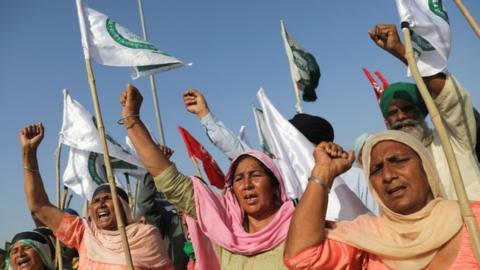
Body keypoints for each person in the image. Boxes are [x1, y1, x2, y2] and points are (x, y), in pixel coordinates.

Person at [120, 85, 295, 269]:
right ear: (232, 190)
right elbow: (168, 178)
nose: (247, 184)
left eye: (256, 175)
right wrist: (131, 120)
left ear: (276, 185)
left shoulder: (301, 227)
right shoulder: (225, 225)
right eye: (238, 179)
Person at [284, 130, 480, 269]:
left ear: (425, 167)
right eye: (376, 169)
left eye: (398, 161)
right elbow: (300, 257)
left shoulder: (472, 219)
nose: (388, 176)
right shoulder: (367, 241)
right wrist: (323, 173)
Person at [20, 123, 173, 270]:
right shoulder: (84, 234)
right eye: (96, 201)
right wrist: (29, 155)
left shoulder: (146, 236)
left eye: (107, 198)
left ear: (124, 206)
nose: (101, 204)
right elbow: (39, 206)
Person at [369, 23, 480, 200]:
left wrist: (400, 50)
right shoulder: (389, 170)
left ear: (422, 111)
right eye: (393, 113)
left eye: (407, 109)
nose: (401, 117)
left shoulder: (452, 139)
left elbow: (451, 96)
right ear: (387, 122)